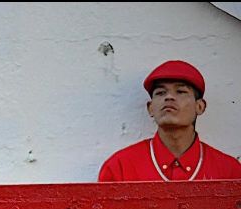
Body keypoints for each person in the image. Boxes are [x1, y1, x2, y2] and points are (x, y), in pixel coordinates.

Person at [99, 60, 241, 182]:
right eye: (161, 93)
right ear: (150, 108)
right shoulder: (119, 168)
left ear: (200, 106)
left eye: (180, 91)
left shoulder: (230, 171)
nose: (169, 97)